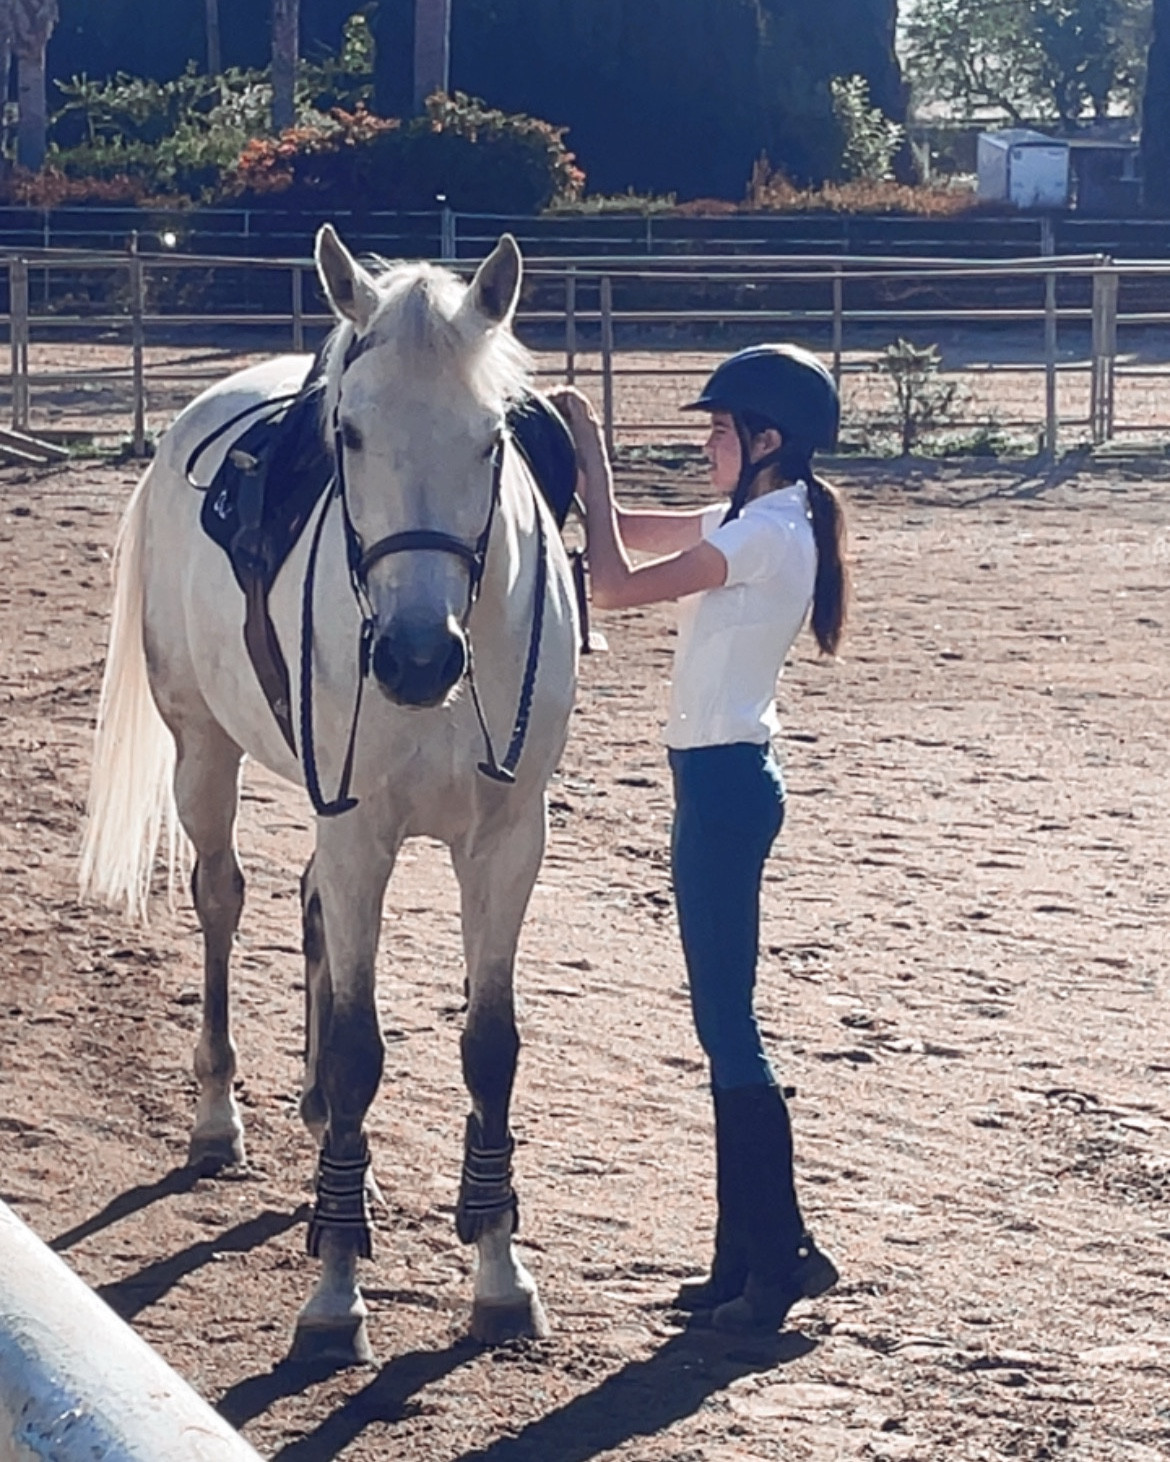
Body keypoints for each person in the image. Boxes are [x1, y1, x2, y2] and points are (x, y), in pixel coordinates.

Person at [551, 344, 849, 1334]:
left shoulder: (763, 532)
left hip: (721, 787)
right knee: (724, 1022)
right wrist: (574, 481)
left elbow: (613, 582)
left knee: (729, 1026)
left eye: (719, 430)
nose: (708, 443)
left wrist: (591, 449)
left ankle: (782, 1251)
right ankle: (743, 1256)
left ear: (767, 442)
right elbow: (631, 531)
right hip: (722, 781)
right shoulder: (765, 516)